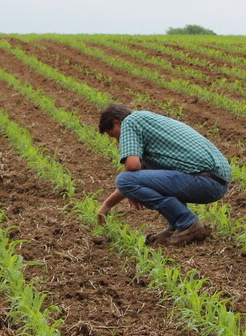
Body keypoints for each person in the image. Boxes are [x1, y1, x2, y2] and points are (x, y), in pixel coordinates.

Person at [95, 102, 231, 245]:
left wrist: (127, 187)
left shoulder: (130, 121)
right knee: (134, 180)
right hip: (216, 181)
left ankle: (187, 223)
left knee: (124, 180)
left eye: (114, 135)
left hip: (204, 180)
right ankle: (176, 226)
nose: (117, 141)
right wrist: (108, 204)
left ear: (116, 122)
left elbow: (132, 167)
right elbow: (144, 177)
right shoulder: (149, 122)